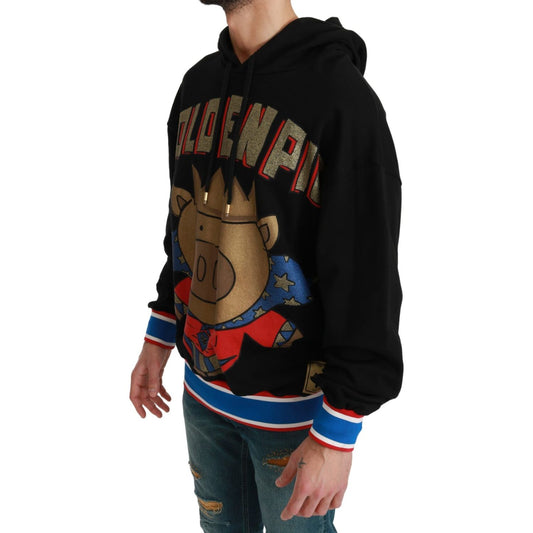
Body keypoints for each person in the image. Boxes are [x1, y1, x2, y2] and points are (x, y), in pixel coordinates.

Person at [129, 0, 403, 531]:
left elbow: (366, 274)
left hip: (294, 420)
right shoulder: (198, 86)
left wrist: (339, 431)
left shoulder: (343, 101)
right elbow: (180, 228)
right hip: (201, 396)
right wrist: (158, 337)